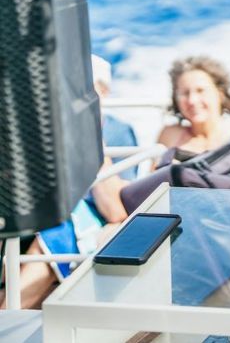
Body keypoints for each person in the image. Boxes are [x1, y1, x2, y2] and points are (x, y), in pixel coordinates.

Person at [1, 55, 139, 309]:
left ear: (102, 92)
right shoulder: (41, 128)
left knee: (54, 233)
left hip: (86, 216)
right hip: (43, 208)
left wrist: (89, 137)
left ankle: (8, 312)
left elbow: (115, 211)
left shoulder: (118, 132)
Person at [157, 55, 230, 170]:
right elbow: (154, 180)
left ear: (220, 93)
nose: (192, 100)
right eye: (185, 93)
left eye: (200, 90)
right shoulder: (170, 135)